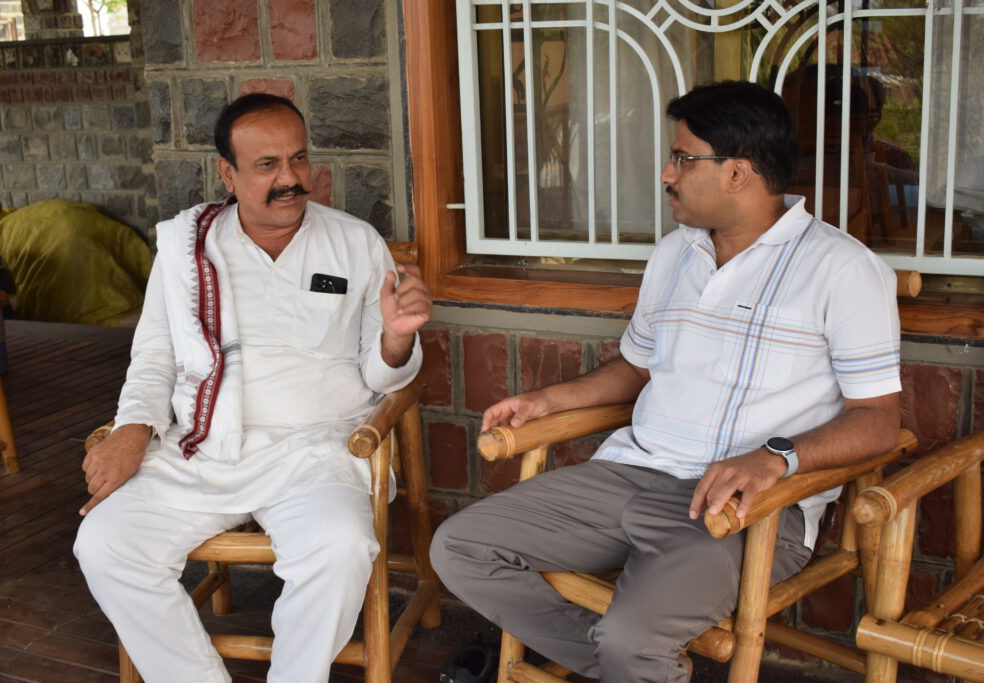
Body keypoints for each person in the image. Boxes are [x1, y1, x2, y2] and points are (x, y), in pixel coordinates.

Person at [430, 81, 901, 682]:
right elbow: (637, 367)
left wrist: (775, 458)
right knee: (459, 547)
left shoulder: (843, 270)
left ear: (738, 172)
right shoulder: (674, 254)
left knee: (631, 640)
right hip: (628, 474)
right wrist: (547, 400)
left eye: (682, 158)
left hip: (740, 511)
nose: (666, 174)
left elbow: (878, 421)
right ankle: (629, 665)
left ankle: (633, 660)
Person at [73, 93, 432, 683]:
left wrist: (396, 337)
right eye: (267, 165)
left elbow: (382, 376)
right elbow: (155, 355)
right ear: (228, 173)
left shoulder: (355, 242)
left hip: (317, 449)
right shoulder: (187, 246)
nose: (291, 179)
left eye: (299, 159)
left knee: (340, 547)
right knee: (104, 542)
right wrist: (132, 429)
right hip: (205, 445)